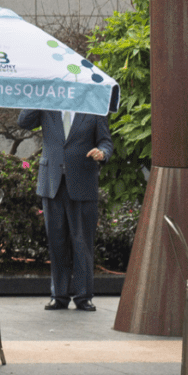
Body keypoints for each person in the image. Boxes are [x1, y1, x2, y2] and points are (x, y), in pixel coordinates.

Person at [16, 108, 112, 311]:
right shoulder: (47, 106)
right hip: (52, 183)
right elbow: (23, 122)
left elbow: (106, 141)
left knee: (82, 243)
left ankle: (83, 296)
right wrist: (42, 95)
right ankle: (58, 295)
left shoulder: (93, 109)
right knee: (56, 242)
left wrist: (102, 153)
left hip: (83, 183)